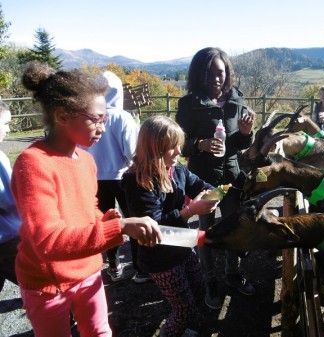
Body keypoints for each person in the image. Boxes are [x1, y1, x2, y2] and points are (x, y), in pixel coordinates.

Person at [11, 61, 161, 337]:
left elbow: (87, 209)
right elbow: (48, 241)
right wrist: (120, 228)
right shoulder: (33, 164)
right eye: (96, 119)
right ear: (62, 116)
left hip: (89, 270)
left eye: (105, 118)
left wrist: (108, 219)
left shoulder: (86, 160)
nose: (103, 127)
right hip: (48, 282)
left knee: (100, 331)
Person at [121, 116, 218, 337]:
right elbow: (154, 227)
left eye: (179, 145)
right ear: (154, 147)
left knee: (198, 288)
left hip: (182, 243)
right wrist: (191, 210)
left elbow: (201, 185)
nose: (178, 152)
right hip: (159, 257)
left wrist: (215, 195)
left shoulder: (177, 169)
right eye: (171, 147)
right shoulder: (137, 181)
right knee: (184, 310)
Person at [175, 47, 256, 311]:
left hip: (232, 179)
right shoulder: (188, 104)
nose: (215, 78)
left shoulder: (237, 100)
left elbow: (240, 144)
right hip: (203, 180)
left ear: (227, 73)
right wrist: (200, 144)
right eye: (208, 73)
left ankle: (232, 274)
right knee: (205, 230)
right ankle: (209, 279)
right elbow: (180, 143)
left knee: (235, 227)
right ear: (198, 75)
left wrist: (246, 133)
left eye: (219, 73)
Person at [83, 71, 146, 283]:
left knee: (105, 223)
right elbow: (132, 151)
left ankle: (114, 265)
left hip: (95, 178)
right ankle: (140, 267)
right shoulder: (122, 117)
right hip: (122, 177)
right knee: (132, 220)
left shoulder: (89, 116)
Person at [0, 101, 21, 292]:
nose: (8, 129)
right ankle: (66, 320)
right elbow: (7, 198)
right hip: (7, 237)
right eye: (5, 124)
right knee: (39, 281)